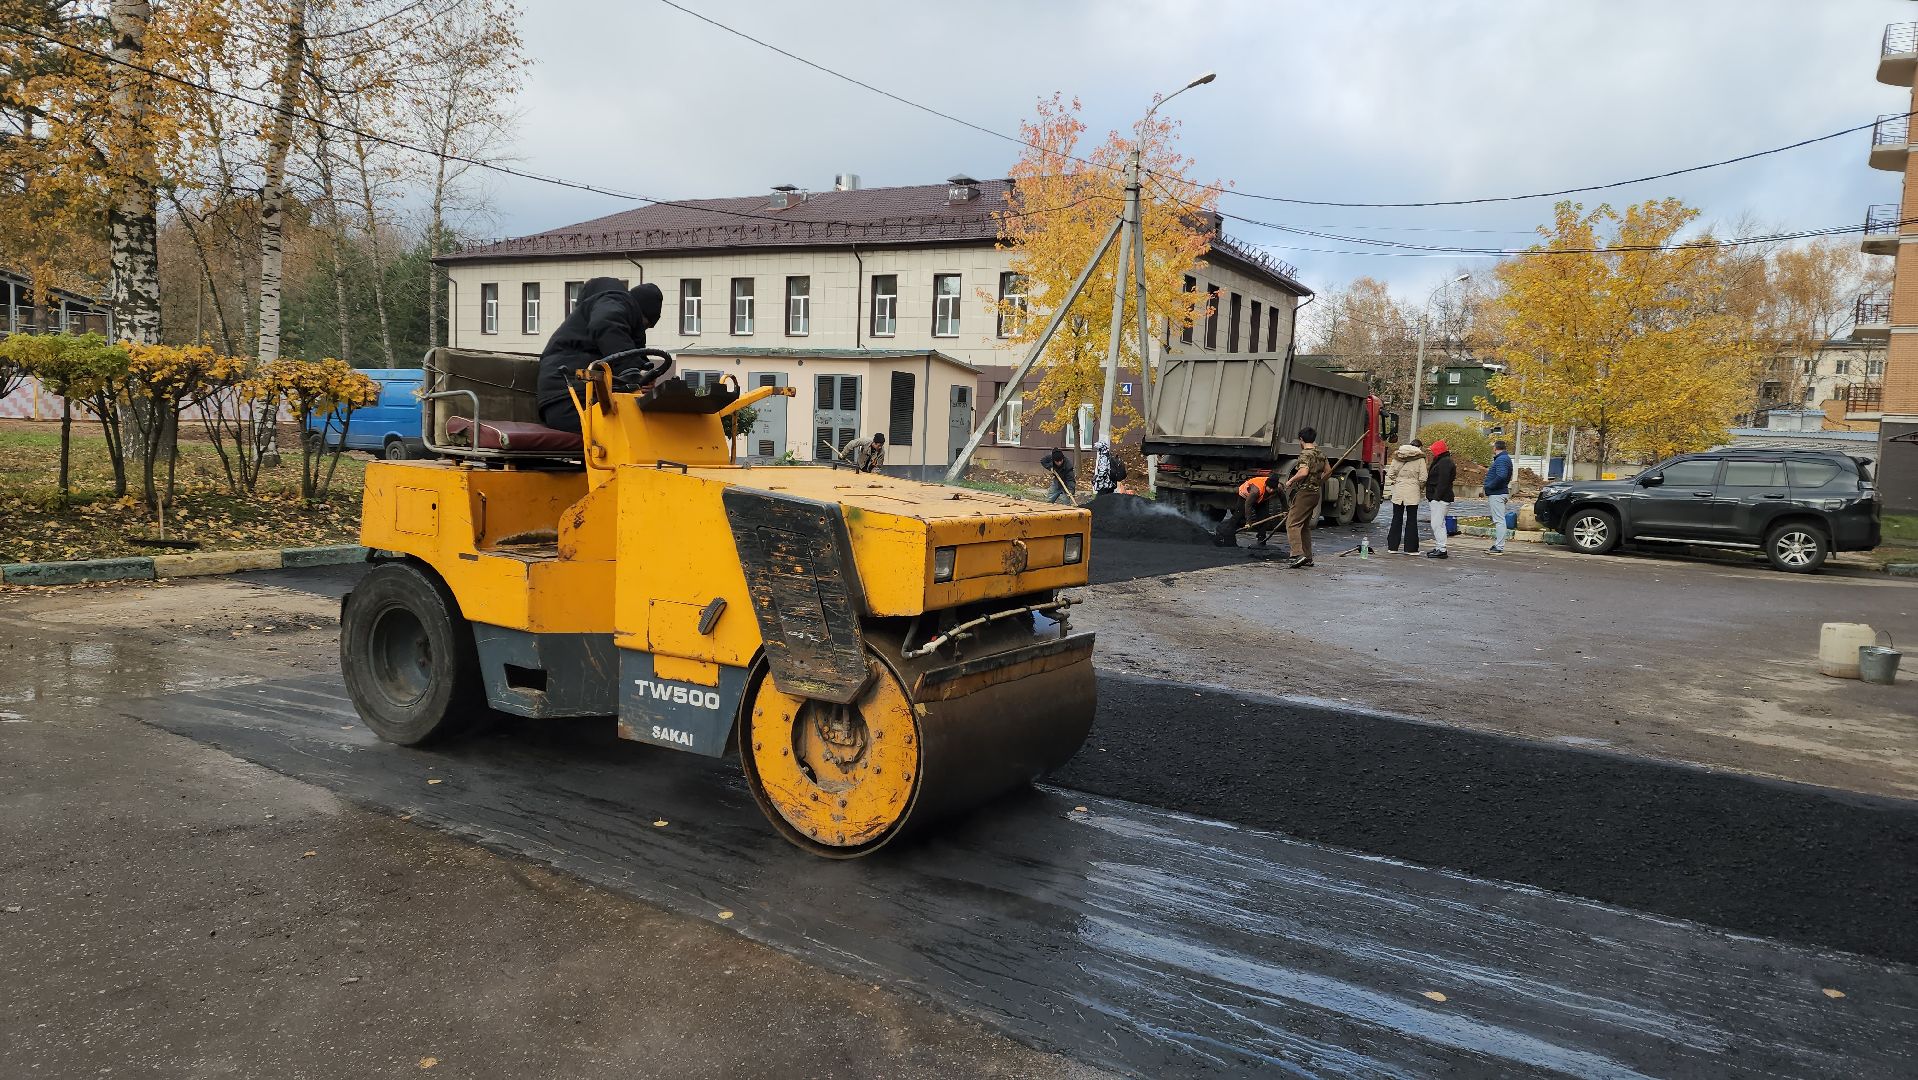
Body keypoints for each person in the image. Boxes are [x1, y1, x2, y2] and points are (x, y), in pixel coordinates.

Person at [535, 278, 664, 434]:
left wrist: (643, 373)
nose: (642, 329)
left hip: (571, 399)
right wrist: (632, 371)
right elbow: (608, 325)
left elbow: (616, 349)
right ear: (638, 312)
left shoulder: (595, 317)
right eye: (644, 324)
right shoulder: (614, 301)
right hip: (571, 401)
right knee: (645, 431)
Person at [1283, 427, 1330, 569]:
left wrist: (1291, 481)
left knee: (1292, 523)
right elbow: (1328, 471)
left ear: (1301, 439)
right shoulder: (1321, 453)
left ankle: (1297, 555)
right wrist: (1318, 482)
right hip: (1315, 493)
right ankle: (1308, 557)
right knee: (1303, 526)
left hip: (1304, 492)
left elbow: (1303, 472)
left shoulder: (1305, 454)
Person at [1383, 438, 1428, 555]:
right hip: (1413, 491)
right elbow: (1423, 477)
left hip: (1398, 491)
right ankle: (1411, 548)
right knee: (1411, 520)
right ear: (1419, 447)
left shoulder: (1398, 456)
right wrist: (1419, 486)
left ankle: (1392, 547)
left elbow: (1390, 474)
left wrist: (1398, 481)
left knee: (1396, 518)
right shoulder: (1420, 459)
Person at [1424, 438, 1457, 560]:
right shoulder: (1443, 461)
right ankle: (1439, 547)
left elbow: (1443, 482)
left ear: (1438, 450)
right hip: (1440, 497)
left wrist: (1436, 497)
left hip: (1440, 498)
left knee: (1437, 524)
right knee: (1438, 523)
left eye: (1433, 450)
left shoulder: (1444, 463)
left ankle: (1442, 549)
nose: (1432, 452)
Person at [1230, 472, 1280, 547]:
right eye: (1270, 488)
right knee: (1238, 516)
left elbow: (1283, 498)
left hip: (1261, 499)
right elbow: (1248, 505)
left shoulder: (1277, 488)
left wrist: (1285, 509)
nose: (1272, 490)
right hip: (1245, 497)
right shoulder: (1255, 490)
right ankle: (1228, 534)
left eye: (1274, 489)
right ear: (1266, 485)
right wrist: (1248, 522)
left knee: (1263, 517)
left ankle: (1261, 540)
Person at [1482, 439, 1513, 555]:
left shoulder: (1502, 459)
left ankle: (1499, 546)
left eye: (1493, 447)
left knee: (1499, 520)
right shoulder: (1504, 459)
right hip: (1499, 492)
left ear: (1495, 448)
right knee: (1499, 520)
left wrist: (1489, 486)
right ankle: (1498, 545)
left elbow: (1501, 476)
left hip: (1497, 493)